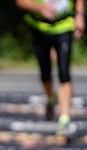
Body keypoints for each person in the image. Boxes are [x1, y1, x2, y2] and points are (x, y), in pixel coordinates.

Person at [16, 0, 85, 135]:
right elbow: (21, 2)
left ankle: (65, 118)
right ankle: (50, 99)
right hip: (39, 27)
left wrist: (80, 15)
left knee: (64, 73)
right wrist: (41, 8)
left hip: (64, 26)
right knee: (45, 73)